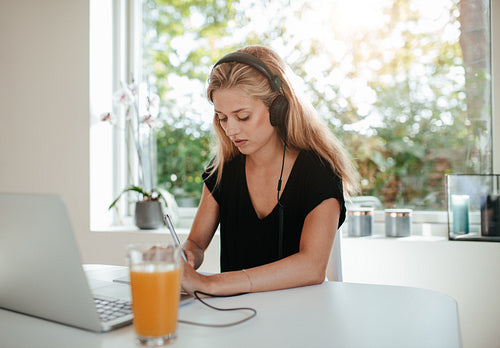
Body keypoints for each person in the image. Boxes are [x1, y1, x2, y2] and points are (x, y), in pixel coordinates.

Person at [181, 45, 358, 296]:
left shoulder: (318, 171)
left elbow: (312, 267)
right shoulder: (223, 170)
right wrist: (187, 255)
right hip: (236, 318)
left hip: (301, 319)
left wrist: (212, 284)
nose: (230, 130)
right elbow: (196, 243)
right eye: (222, 117)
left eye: (242, 117)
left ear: (278, 108)